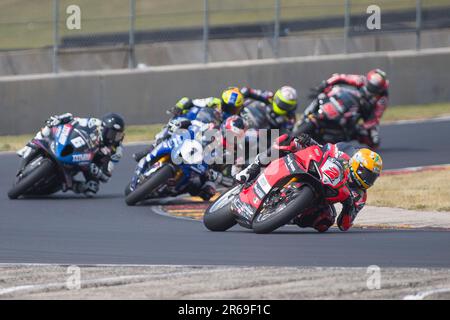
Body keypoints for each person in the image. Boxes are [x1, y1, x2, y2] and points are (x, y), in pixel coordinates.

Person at [235, 133, 383, 232]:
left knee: (325, 221)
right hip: (314, 170)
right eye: (368, 174)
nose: (369, 180)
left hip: (323, 197)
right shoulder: (344, 155)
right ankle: (251, 169)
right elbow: (325, 148)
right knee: (289, 141)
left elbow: (344, 225)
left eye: (373, 177)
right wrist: (309, 141)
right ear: (358, 165)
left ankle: (288, 215)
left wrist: (349, 208)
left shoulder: (360, 197)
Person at [17, 112, 125, 197]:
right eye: (112, 134)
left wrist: (97, 171)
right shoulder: (94, 123)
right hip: (76, 147)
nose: (114, 138)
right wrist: (61, 119)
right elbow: (75, 120)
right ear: (103, 129)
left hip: (87, 164)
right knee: (48, 129)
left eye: (118, 135)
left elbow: (107, 176)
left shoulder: (116, 151)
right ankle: (28, 147)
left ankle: (73, 186)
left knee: (92, 189)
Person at [132, 87, 245, 162]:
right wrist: (178, 107)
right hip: (192, 122)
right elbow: (189, 101)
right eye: (227, 107)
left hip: (207, 134)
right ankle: (152, 147)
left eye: (234, 109)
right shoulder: (213, 101)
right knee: (174, 124)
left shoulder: (234, 119)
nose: (229, 110)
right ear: (222, 102)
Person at [307, 69, 389, 149]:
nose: (371, 89)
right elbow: (340, 77)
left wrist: (362, 126)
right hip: (348, 101)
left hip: (364, 113)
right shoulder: (361, 80)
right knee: (321, 95)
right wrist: (325, 84)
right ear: (367, 81)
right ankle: (309, 113)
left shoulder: (382, 99)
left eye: (374, 88)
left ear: (380, 88)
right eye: (370, 85)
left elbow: (375, 118)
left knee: (374, 140)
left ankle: (346, 135)